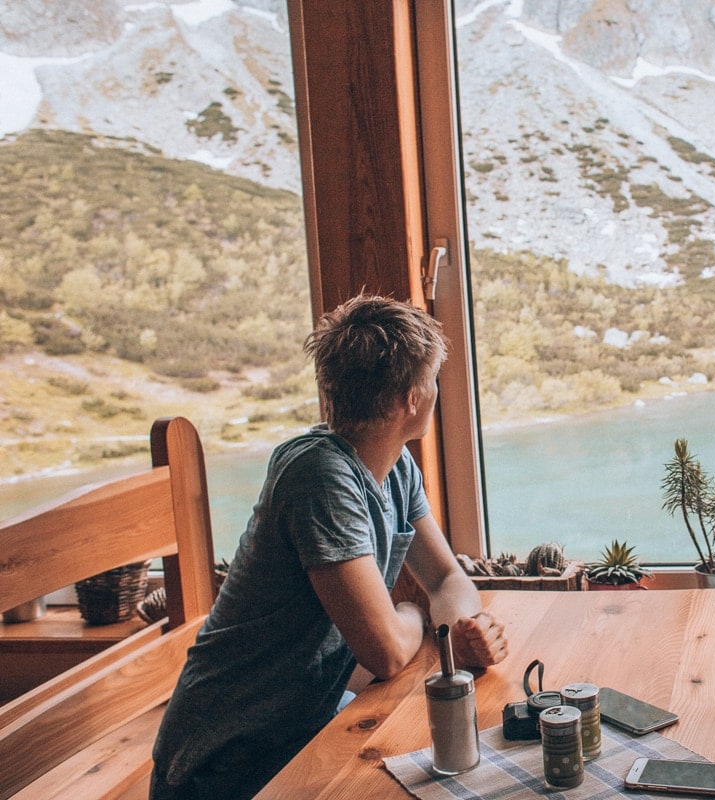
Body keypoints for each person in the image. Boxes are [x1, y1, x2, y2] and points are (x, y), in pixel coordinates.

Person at [150, 293, 508, 800]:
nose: (434, 390)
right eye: (430, 380)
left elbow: (448, 580)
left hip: (299, 731)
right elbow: (384, 651)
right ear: (409, 399)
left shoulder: (397, 468)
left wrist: (464, 631)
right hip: (225, 762)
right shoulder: (319, 474)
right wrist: (418, 612)